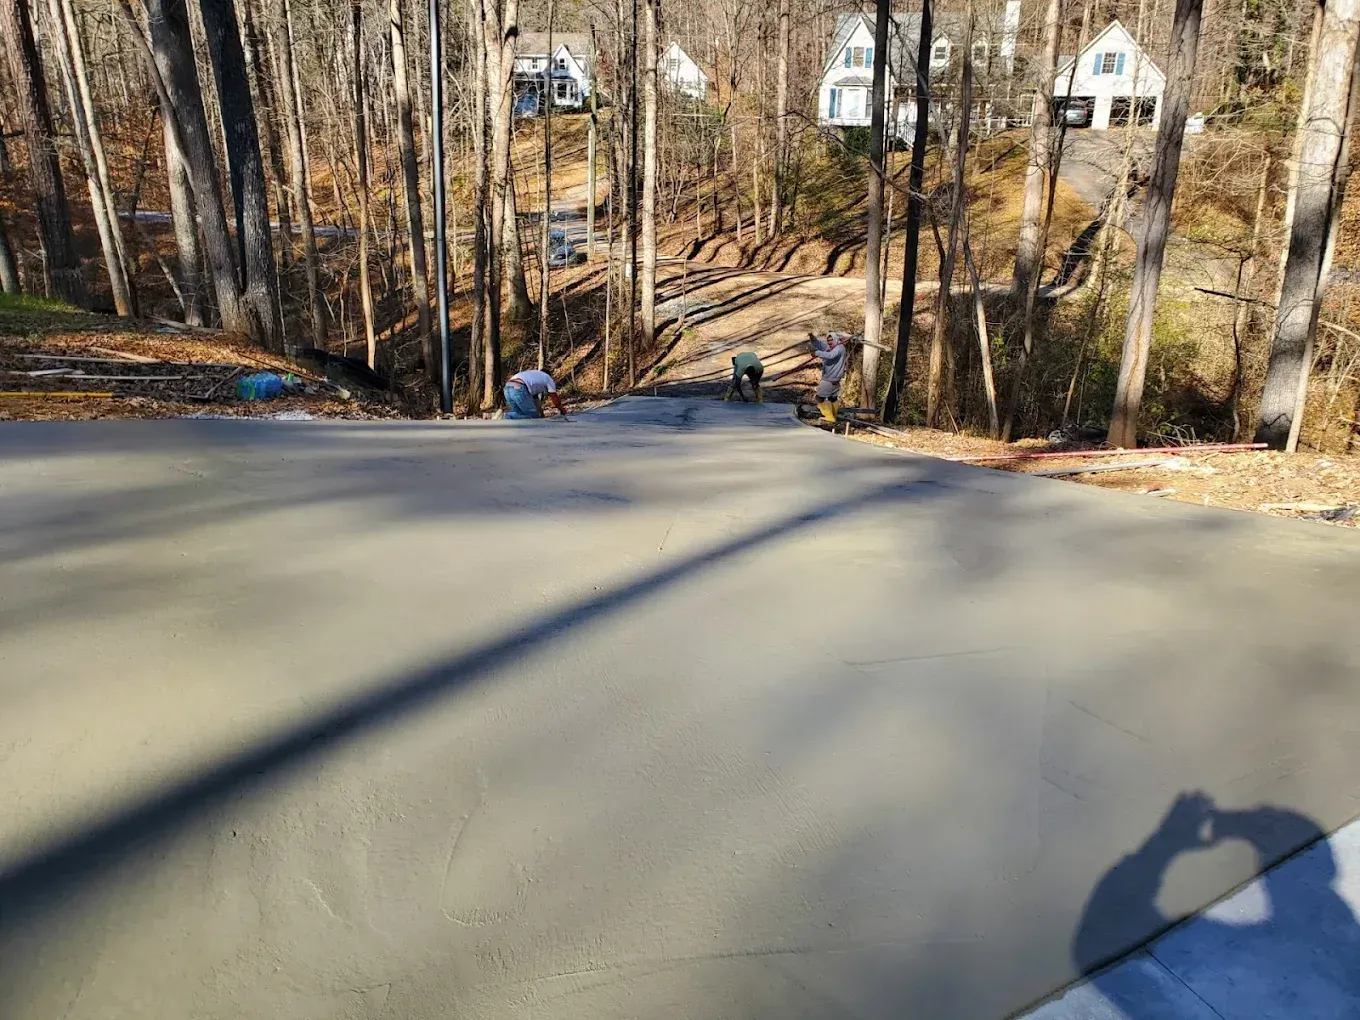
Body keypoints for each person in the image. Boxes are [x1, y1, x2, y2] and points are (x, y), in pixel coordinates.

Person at [809, 333, 847, 423]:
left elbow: (830, 355)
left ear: (836, 339)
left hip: (830, 379)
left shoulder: (839, 348)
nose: (830, 342)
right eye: (828, 340)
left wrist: (816, 353)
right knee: (832, 398)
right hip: (834, 379)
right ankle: (833, 415)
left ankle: (829, 417)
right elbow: (820, 345)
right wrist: (813, 338)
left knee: (819, 398)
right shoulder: (831, 347)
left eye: (831, 340)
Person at [503, 369, 568, 419]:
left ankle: (507, 418)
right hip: (518, 387)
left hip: (507, 388)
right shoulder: (548, 378)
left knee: (520, 414)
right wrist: (562, 410)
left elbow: (536, 402)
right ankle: (506, 415)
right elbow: (554, 397)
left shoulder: (534, 377)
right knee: (532, 416)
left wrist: (542, 416)